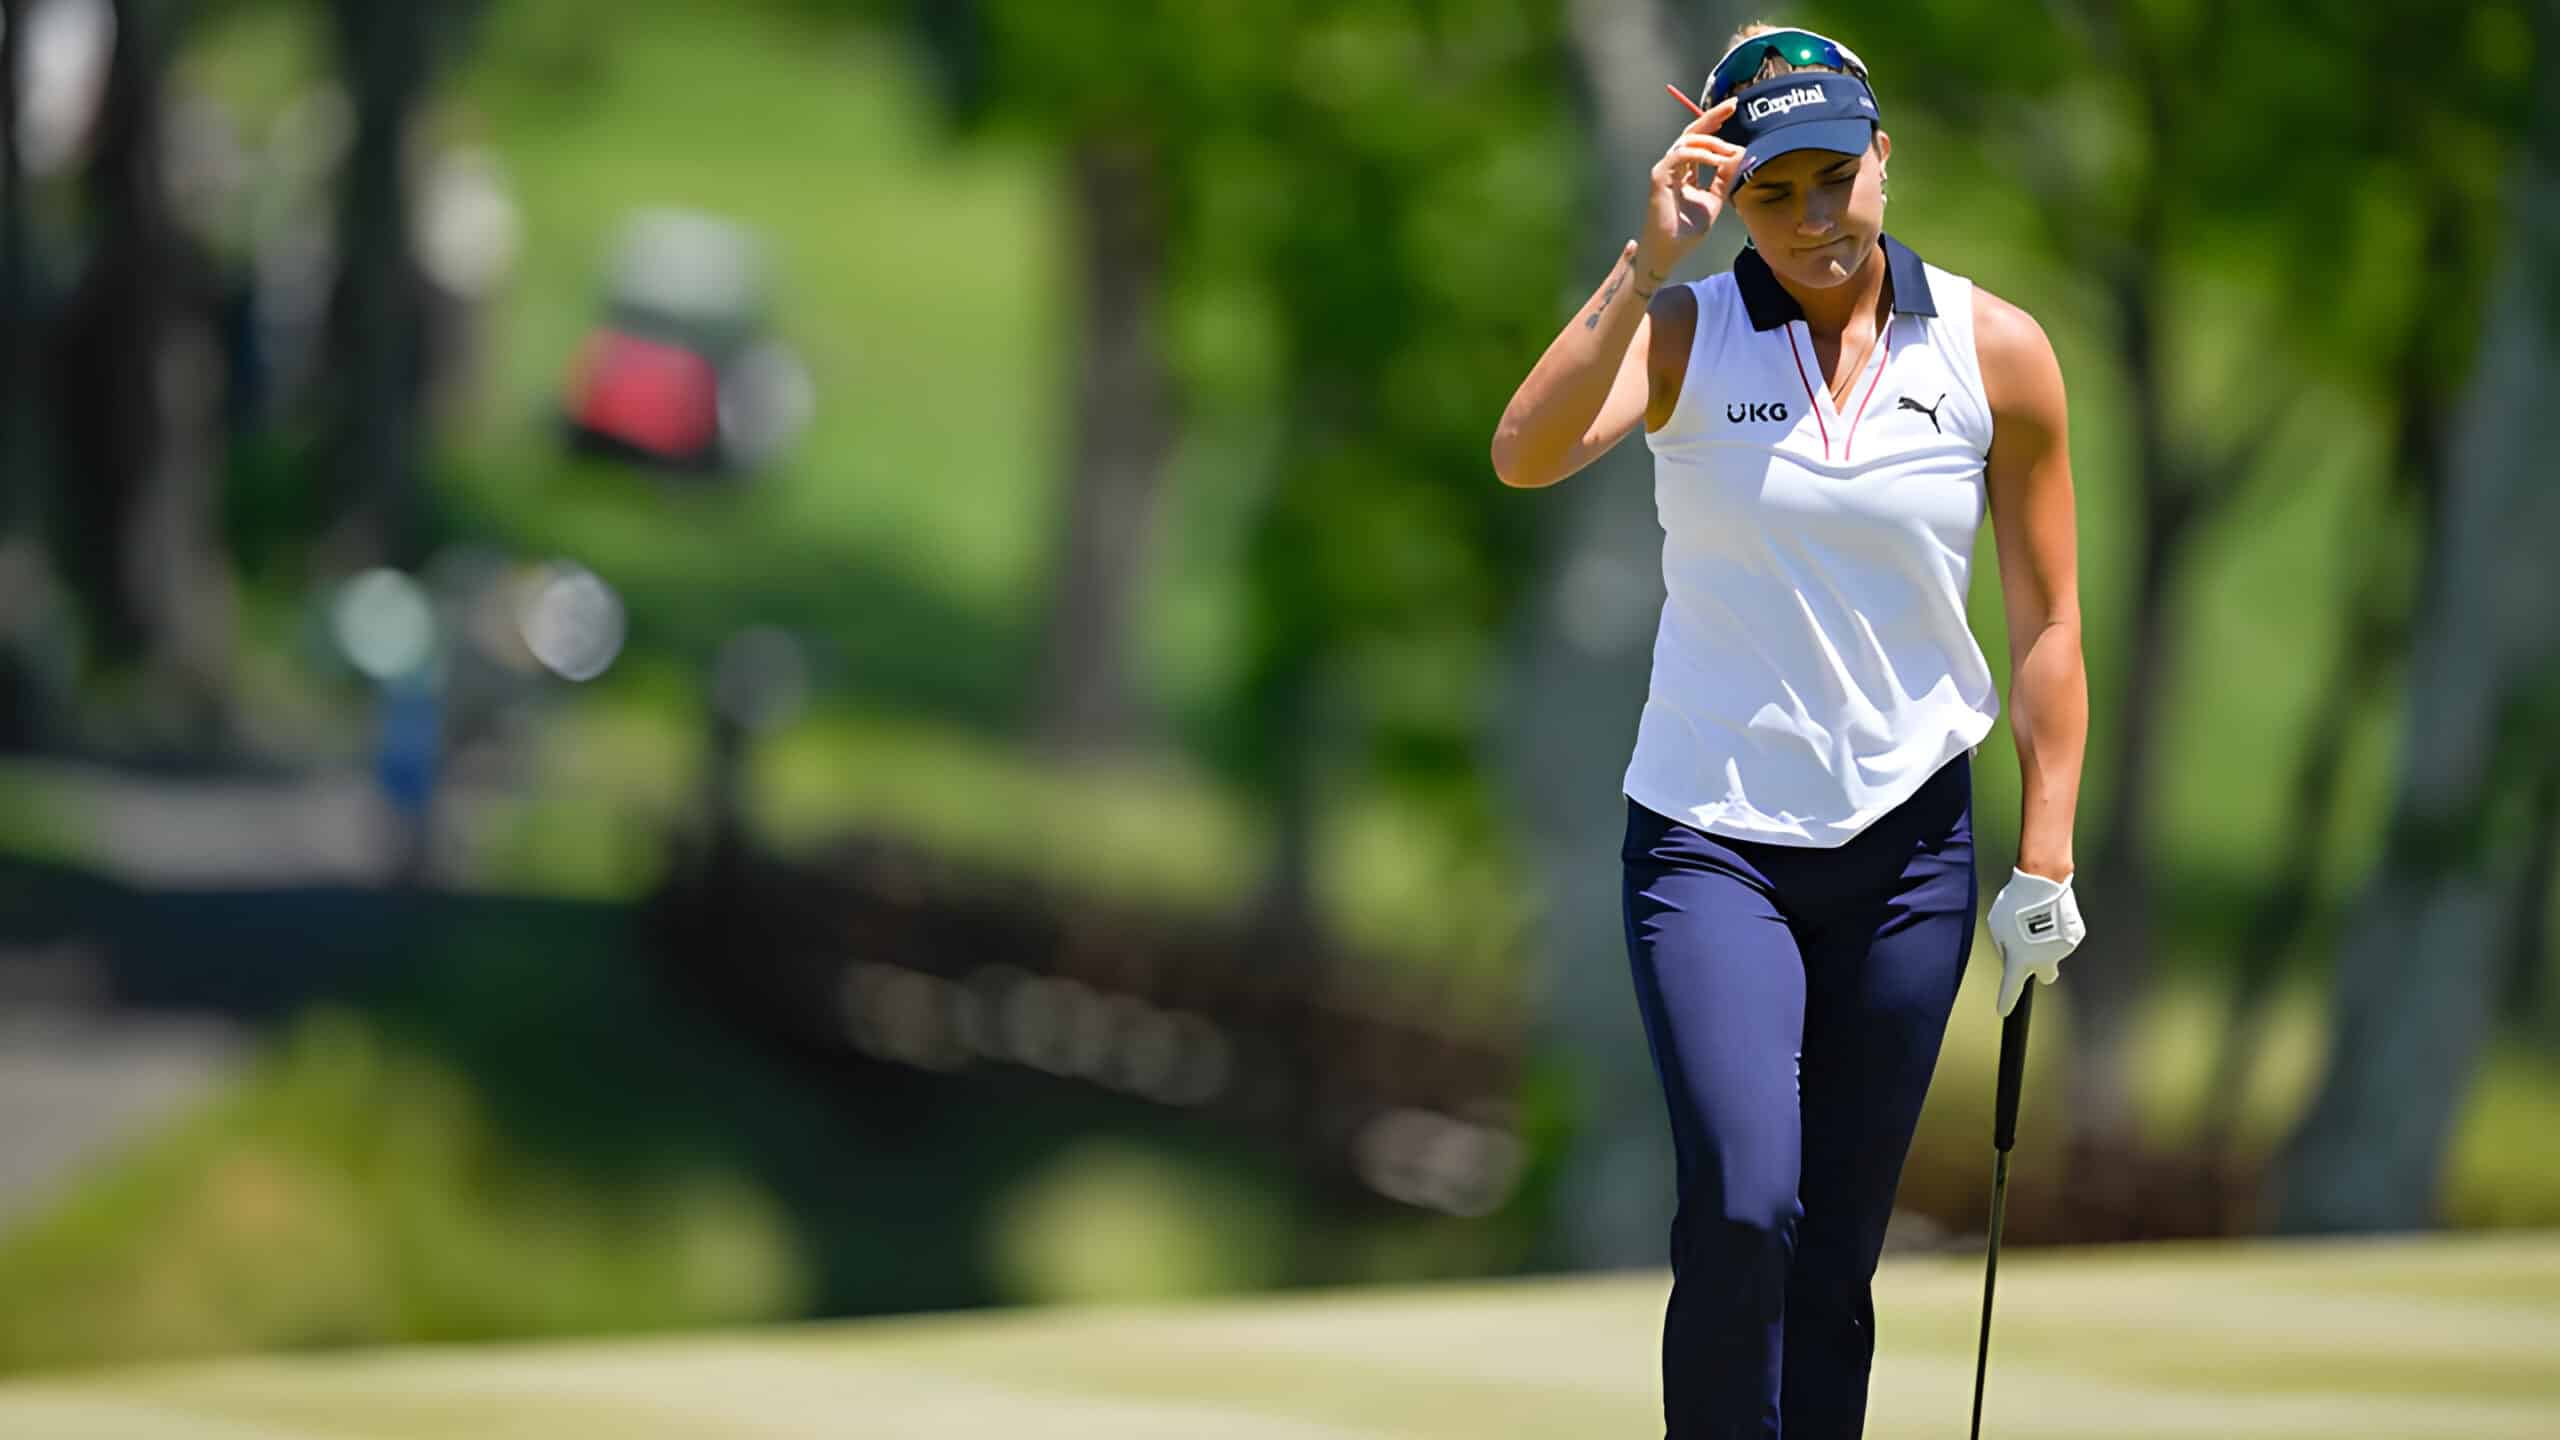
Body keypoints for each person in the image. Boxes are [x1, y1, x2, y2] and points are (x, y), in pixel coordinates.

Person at [1490, 23, 2090, 1439]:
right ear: (1732, 197)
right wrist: (1645, 262)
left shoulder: (1995, 352)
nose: (1814, 221)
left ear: (1883, 158)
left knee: (1835, 1257)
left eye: (1835, 178)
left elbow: (2050, 623)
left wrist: (2046, 856)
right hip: (1712, 848)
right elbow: (1523, 453)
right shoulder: (1685, 333)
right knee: (1748, 1202)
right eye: (1774, 194)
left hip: (1912, 856)